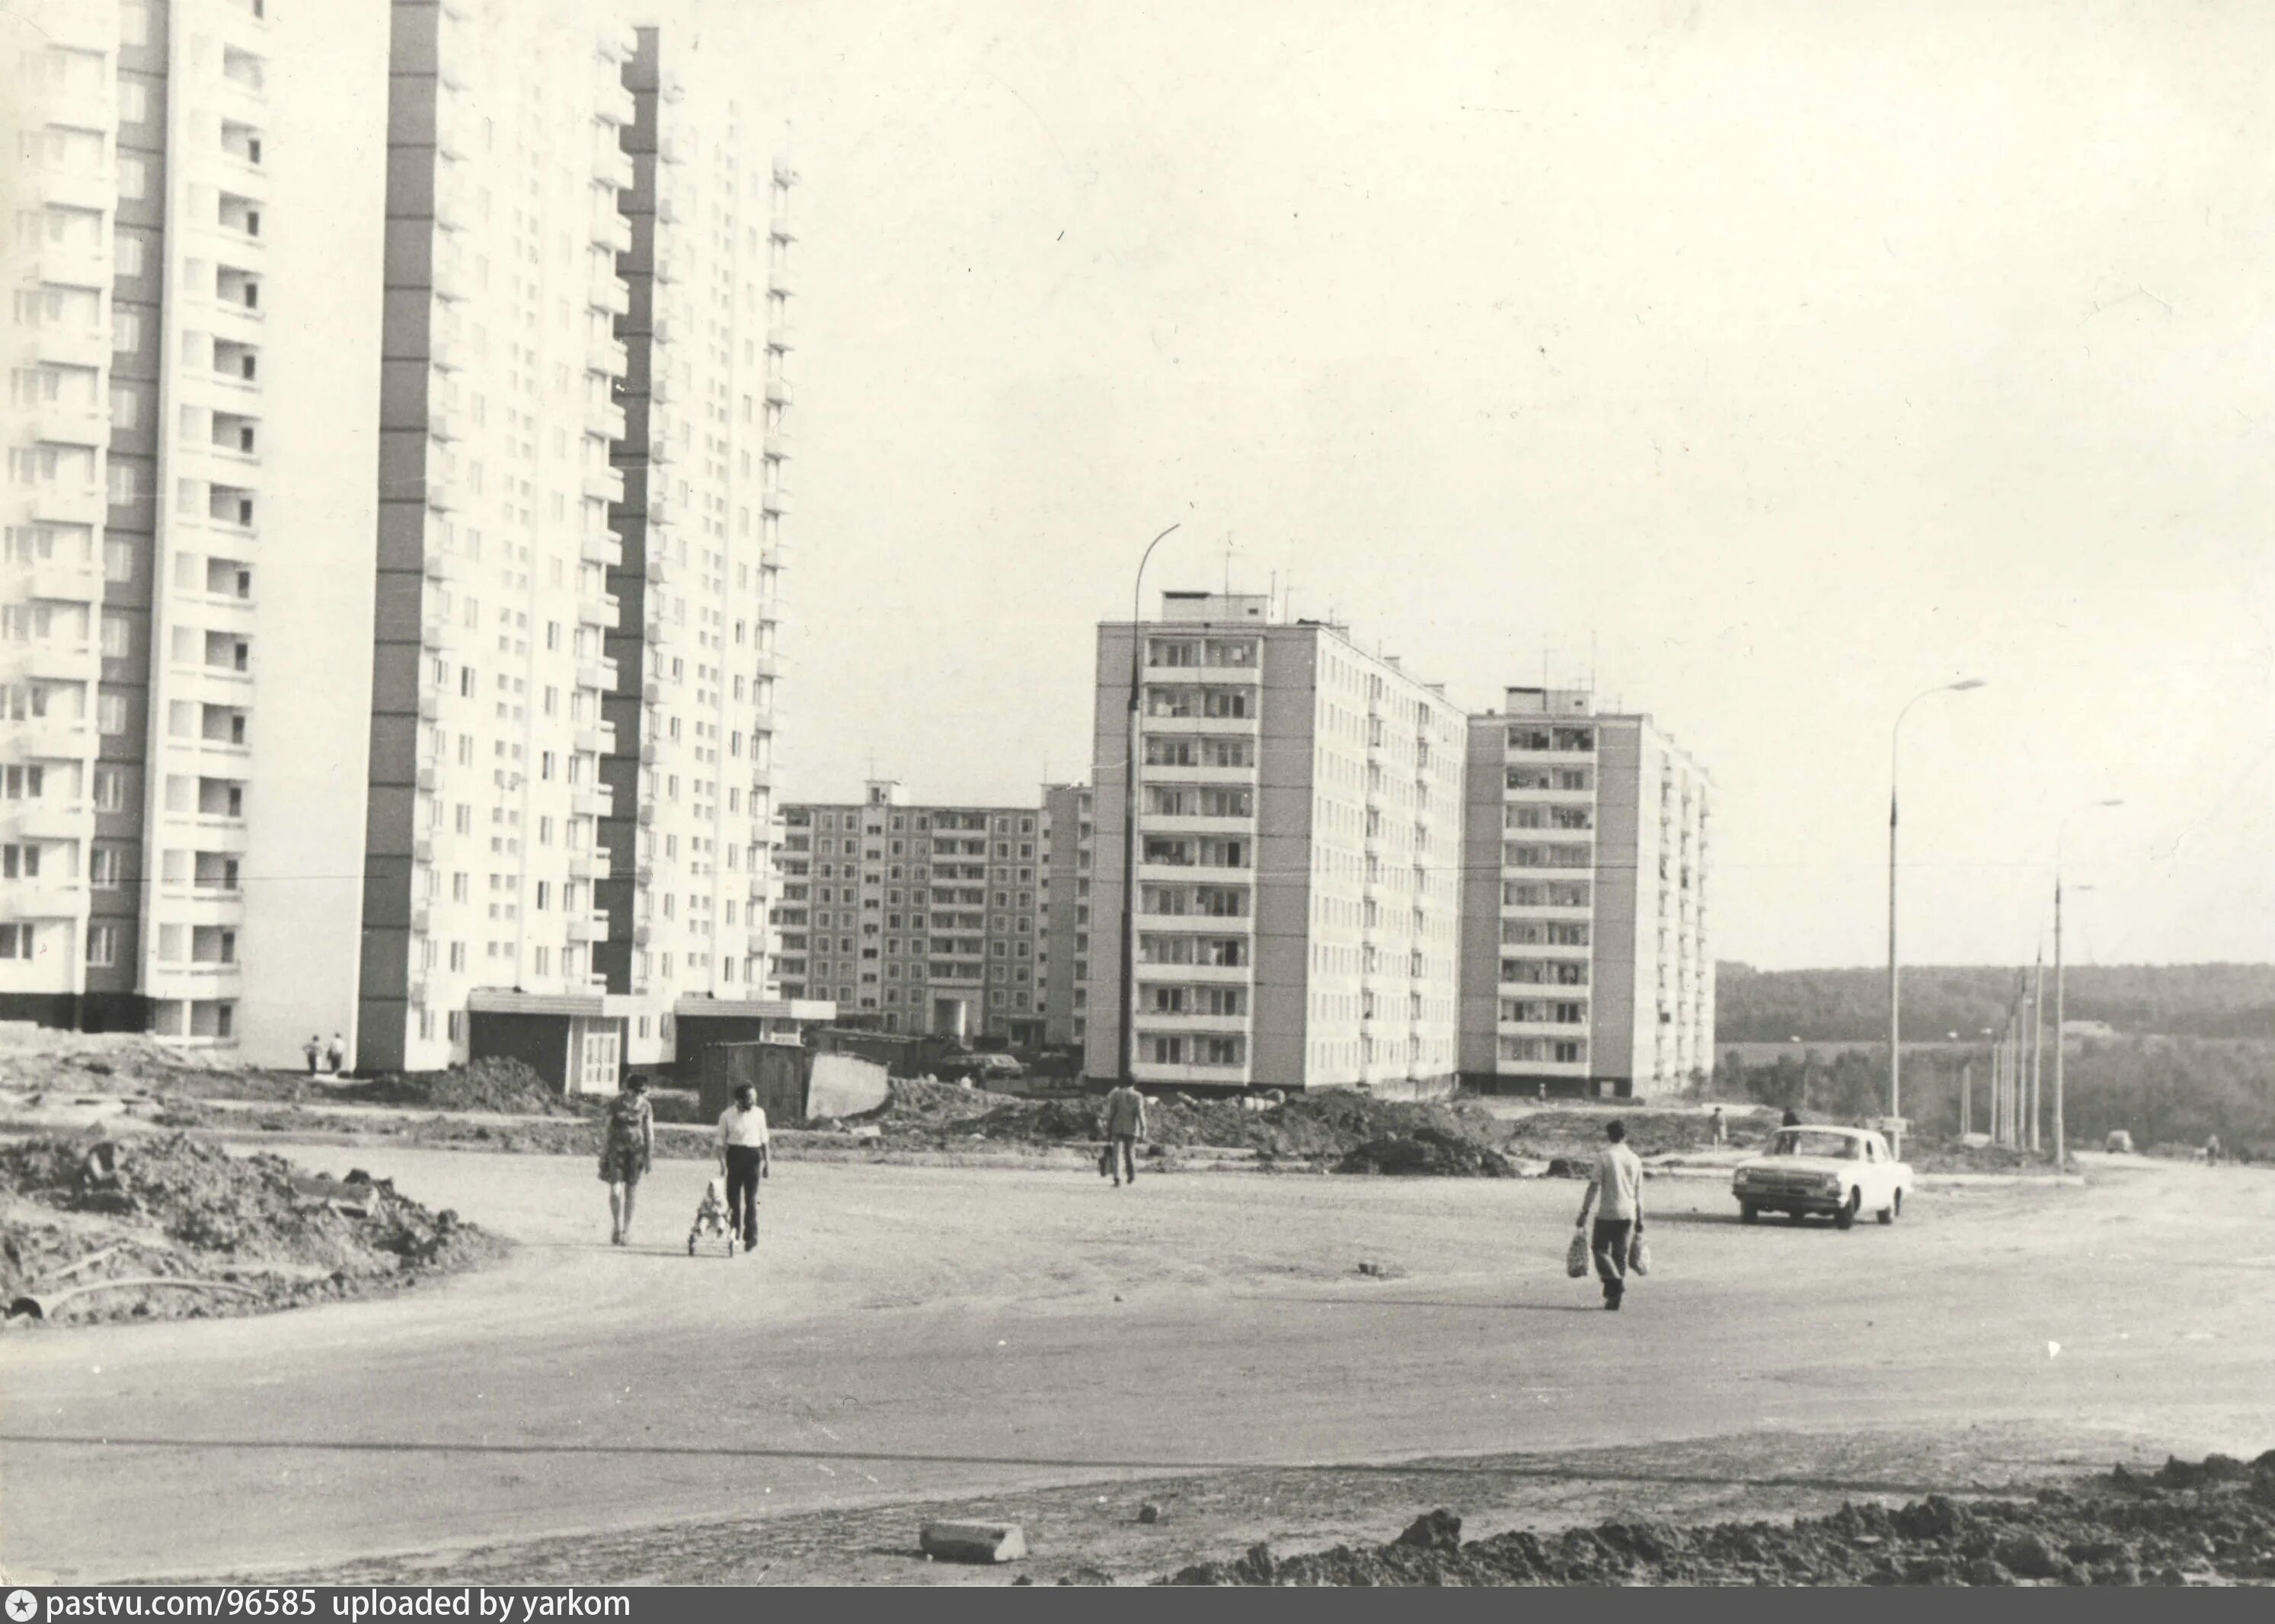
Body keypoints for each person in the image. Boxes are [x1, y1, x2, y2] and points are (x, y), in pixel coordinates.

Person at [1574, 1119, 1644, 1311]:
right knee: (1619, 1255)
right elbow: (1639, 1193)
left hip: (1608, 1212)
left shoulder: (1605, 1156)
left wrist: (1584, 1211)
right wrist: (1641, 1219)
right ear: (1625, 1135)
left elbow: (1594, 1186)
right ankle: (1614, 1300)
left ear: (1609, 1136)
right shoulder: (1636, 1159)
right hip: (1629, 1212)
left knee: (1599, 1249)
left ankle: (1615, 1284)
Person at [599, 1075, 654, 1245]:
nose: (639, 1095)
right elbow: (607, 1131)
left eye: (641, 1092)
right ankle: (616, 1227)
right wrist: (603, 1154)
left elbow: (649, 1133)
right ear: (628, 1089)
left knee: (631, 1192)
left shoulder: (646, 1106)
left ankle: (626, 1231)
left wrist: (649, 1157)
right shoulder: (615, 1104)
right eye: (636, 1091)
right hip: (617, 1152)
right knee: (615, 1191)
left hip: (636, 1153)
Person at [717, 1083, 769, 1253]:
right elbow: (719, 1143)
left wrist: (768, 1163)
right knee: (733, 1200)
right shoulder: (727, 1115)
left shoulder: (760, 1114)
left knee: (751, 1199)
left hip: (753, 1157)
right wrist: (723, 1164)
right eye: (749, 1098)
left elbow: (765, 1141)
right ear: (739, 1099)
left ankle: (751, 1236)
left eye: (754, 1097)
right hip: (735, 1156)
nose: (752, 1101)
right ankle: (734, 1233)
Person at [1100, 1081, 1148, 1187]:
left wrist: (1108, 1127)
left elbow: (1112, 1112)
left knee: (1117, 1154)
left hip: (1118, 1127)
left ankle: (1117, 1178)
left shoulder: (1117, 1094)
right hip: (1133, 1129)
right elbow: (1140, 1113)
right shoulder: (1138, 1096)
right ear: (1133, 1083)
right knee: (1130, 1153)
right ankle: (1131, 1176)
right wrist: (1144, 1129)